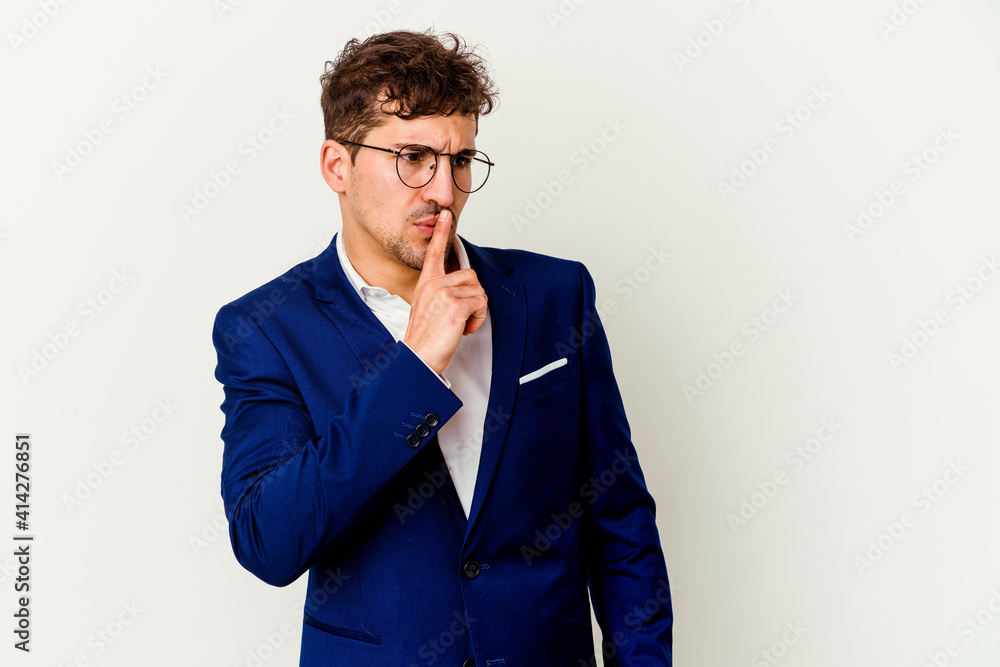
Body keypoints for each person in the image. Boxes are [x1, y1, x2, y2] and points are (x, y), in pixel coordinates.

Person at [213, 29, 673, 667]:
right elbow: (270, 542)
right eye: (412, 157)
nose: (443, 190)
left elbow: (620, 525)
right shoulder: (265, 328)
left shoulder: (553, 295)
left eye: (460, 161)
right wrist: (416, 365)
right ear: (336, 167)